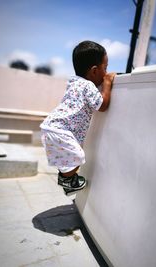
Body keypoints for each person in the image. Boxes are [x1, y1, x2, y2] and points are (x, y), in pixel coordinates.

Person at [40, 40, 116, 192]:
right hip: (61, 130)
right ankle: (66, 179)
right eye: (105, 68)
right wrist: (107, 84)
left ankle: (69, 180)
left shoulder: (74, 82)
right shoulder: (88, 85)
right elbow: (102, 106)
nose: (106, 73)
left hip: (53, 127)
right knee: (78, 156)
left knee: (70, 157)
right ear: (94, 71)